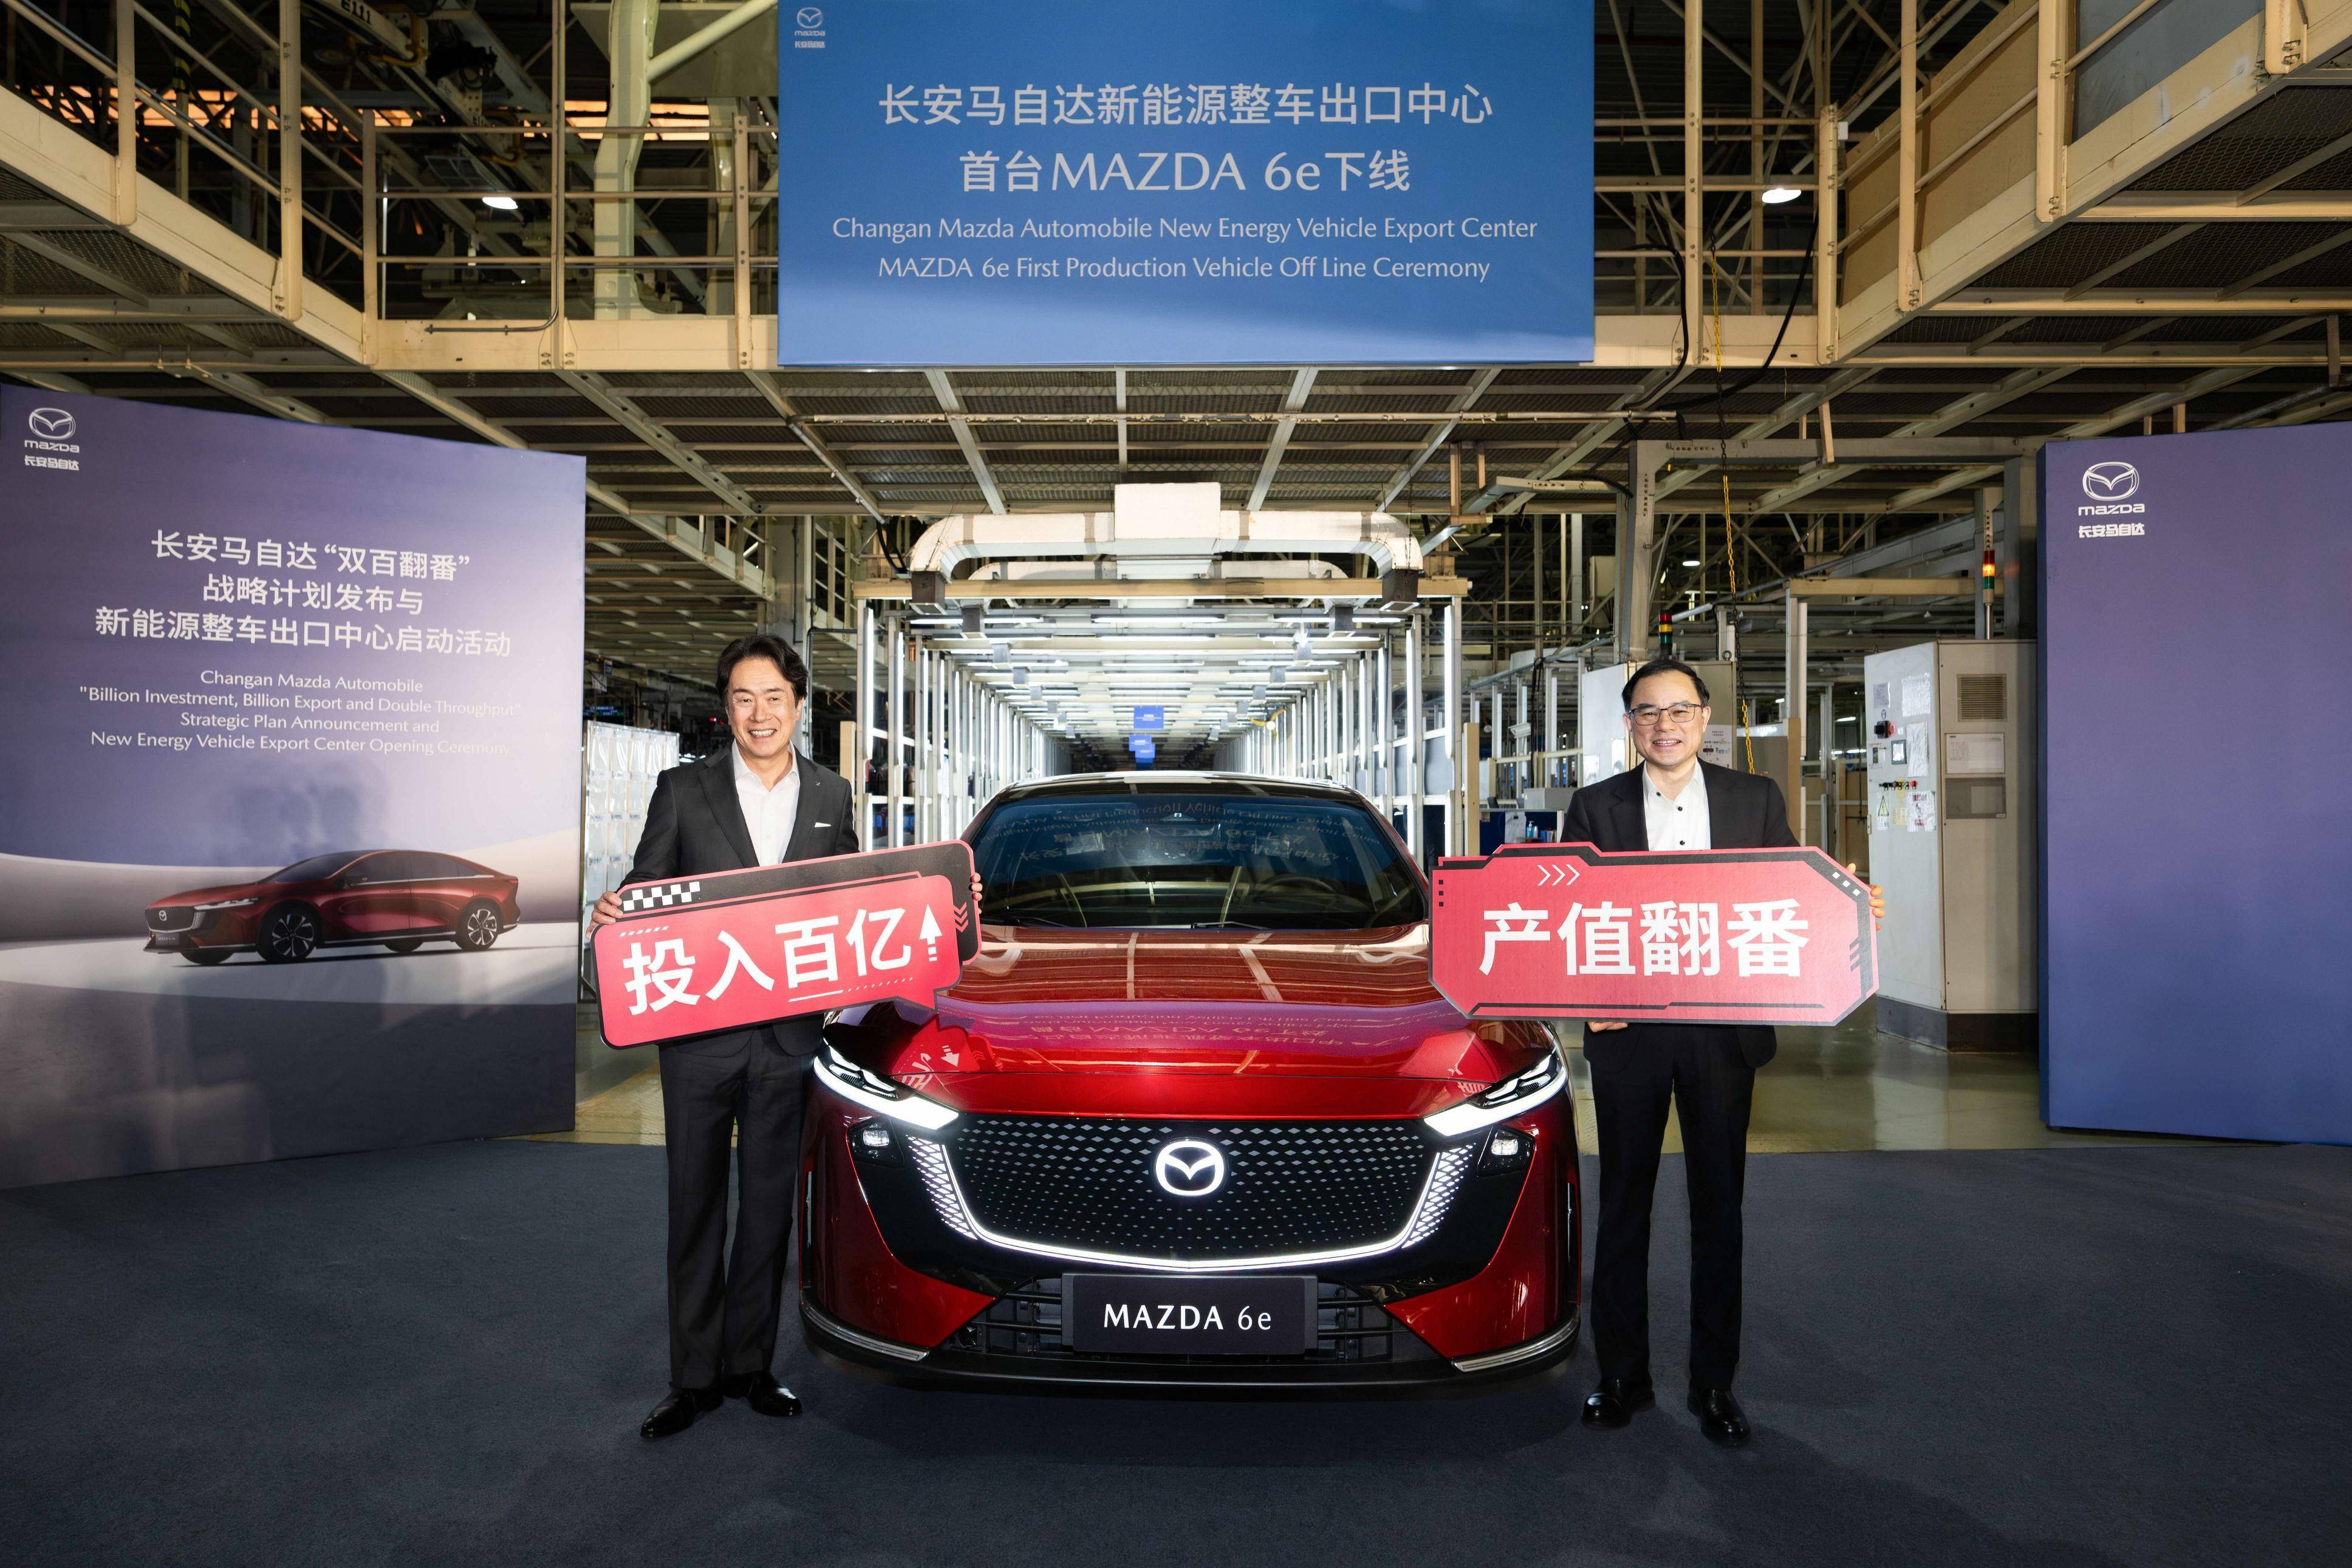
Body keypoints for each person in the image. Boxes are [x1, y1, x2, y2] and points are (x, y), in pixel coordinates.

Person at [1562, 656, 1876, 1448]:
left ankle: (1714, 1383)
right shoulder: (1595, 806)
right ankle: (1622, 1376)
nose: (1664, 725)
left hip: (1722, 1033)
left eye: (1679, 710)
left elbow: (1791, 895)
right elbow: (1568, 914)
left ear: (1705, 718)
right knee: (1623, 1206)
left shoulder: (1753, 798)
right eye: (1647, 712)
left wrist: (1848, 904)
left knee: (1718, 1208)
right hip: (1628, 1033)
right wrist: (1586, 1001)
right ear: (1629, 724)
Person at [590, 633, 857, 1440]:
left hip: (788, 1042)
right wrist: (620, 910)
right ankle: (693, 1378)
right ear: (726, 709)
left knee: (769, 1212)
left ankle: (750, 1366)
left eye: (774, 697)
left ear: (799, 706)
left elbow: (854, 905)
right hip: (699, 1037)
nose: (759, 713)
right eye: (744, 698)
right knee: (695, 1206)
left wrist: (945, 902)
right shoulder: (683, 789)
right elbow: (648, 884)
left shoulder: (831, 794)